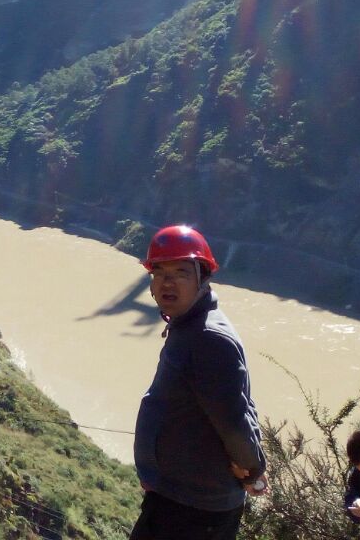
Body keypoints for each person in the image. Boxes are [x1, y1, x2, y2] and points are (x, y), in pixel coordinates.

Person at [131, 224, 267, 540]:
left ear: (202, 278)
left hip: (194, 511)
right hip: (179, 499)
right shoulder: (190, 326)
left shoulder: (207, 338)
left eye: (180, 272)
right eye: (159, 272)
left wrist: (253, 470)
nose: (167, 282)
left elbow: (233, 420)